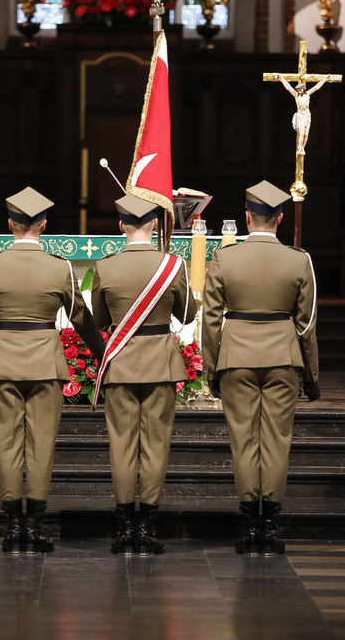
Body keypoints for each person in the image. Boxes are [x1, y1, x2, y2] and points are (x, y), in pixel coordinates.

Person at [0, 187, 103, 553]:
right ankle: (36, 526)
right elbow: (81, 319)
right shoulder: (59, 267)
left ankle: (14, 527)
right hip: (45, 365)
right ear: (44, 224)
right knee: (41, 447)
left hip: (2, 364)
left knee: (7, 446)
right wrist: (103, 352)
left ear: (9, 223)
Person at [202, 181, 320, 555]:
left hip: (236, 356)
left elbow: (210, 319)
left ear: (247, 217)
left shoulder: (224, 258)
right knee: (276, 441)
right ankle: (269, 525)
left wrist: (211, 369)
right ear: (281, 219)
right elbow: (306, 324)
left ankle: (249, 523)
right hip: (283, 357)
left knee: (243, 441)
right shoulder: (298, 259)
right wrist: (311, 375)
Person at [91, 194, 196, 555]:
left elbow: (101, 321)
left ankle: (124, 528)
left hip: (121, 363)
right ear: (154, 225)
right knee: (155, 445)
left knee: (122, 445)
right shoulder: (173, 265)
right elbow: (187, 314)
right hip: (161, 363)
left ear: (121, 225)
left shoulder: (106, 267)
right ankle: (148, 525)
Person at [272, 75, 335, 156]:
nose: (299, 91)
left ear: (303, 89)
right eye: (298, 90)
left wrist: (324, 80)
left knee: (306, 134)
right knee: (301, 133)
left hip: (307, 115)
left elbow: (316, 87)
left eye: (300, 89)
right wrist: (281, 79)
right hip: (300, 116)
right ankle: (299, 147)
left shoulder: (307, 94)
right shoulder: (296, 95)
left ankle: (302, 147)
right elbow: (288, 87)